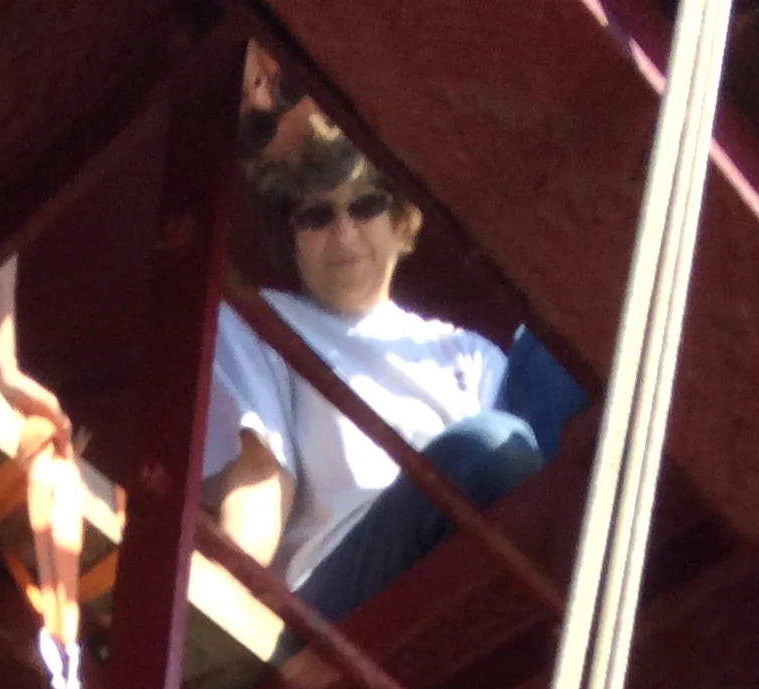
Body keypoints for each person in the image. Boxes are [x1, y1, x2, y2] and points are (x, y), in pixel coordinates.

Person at [207, 122, 586, 624]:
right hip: (342, 581)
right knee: (491, 444)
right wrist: (226, 599)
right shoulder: (264, 320)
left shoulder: (465, 351)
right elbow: (260, 475)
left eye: (364, 206)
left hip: (479, 538)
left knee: (554, 343)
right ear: (291, 239)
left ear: (401, 222)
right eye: (317, 216)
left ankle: (568, 558)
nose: (344, 231)